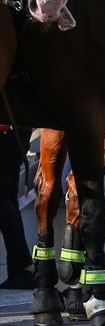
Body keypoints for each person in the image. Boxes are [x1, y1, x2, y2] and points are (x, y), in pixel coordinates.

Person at [0, 123, 34, 290]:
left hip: (7, 134)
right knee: (8, 199)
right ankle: (19, 270)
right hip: (15, 135)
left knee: (3, 199)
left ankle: (23, 267)